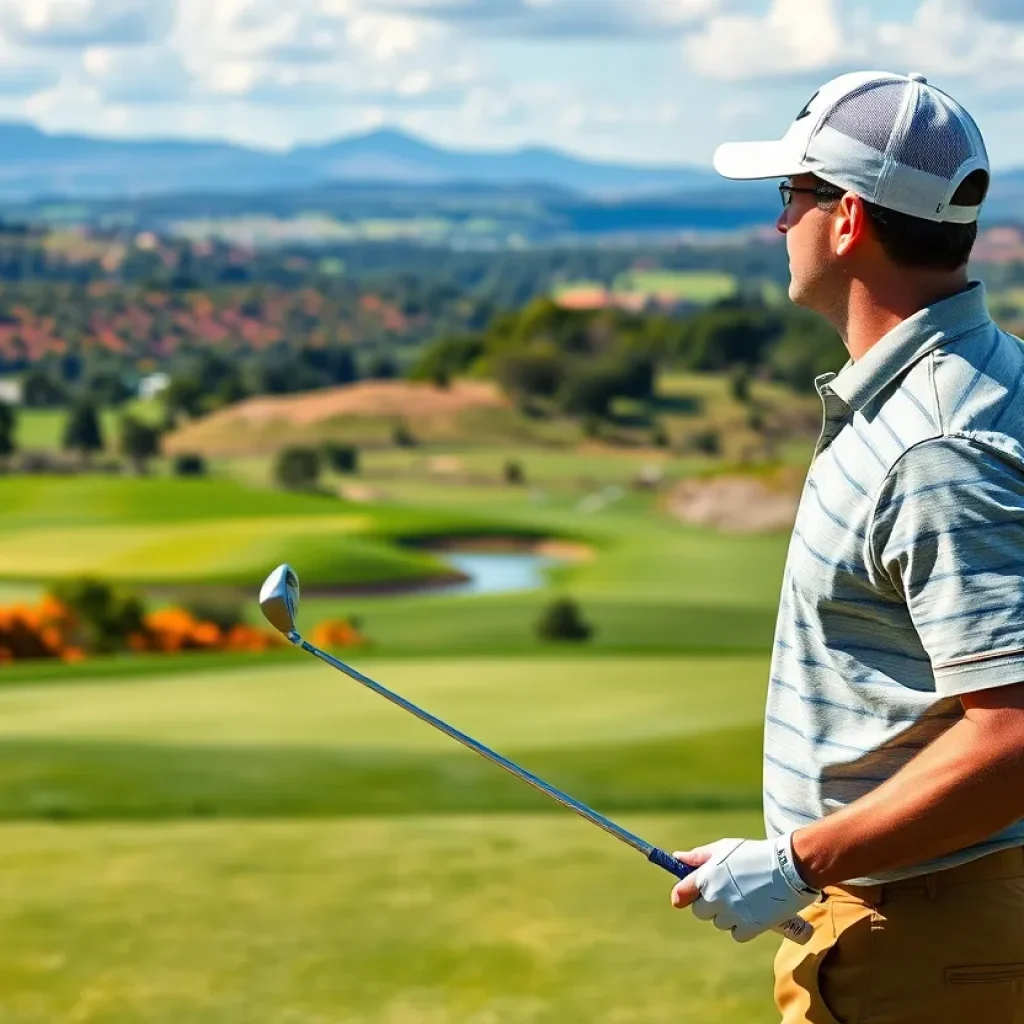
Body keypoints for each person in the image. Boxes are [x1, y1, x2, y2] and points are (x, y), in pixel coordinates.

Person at [669, 70, 1024, 1023]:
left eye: (791, 196)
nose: (778, 223)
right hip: (898, 905)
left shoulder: (938, 443)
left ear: (848, 219)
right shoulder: (959, 386)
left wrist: (797, 861)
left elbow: (1016, 734)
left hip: (923, 931)